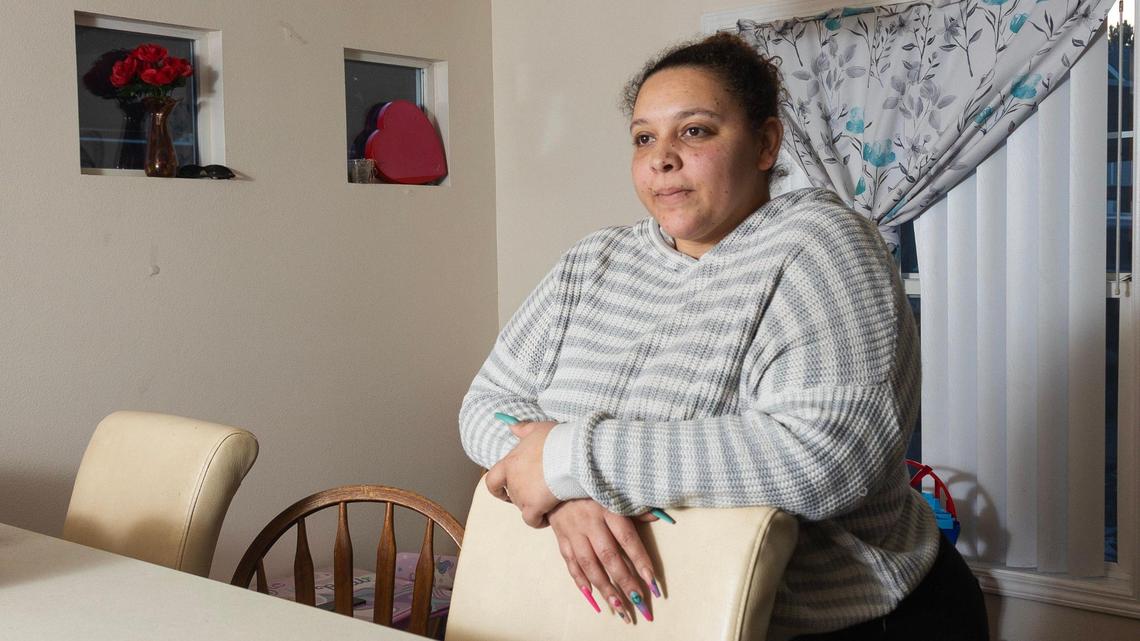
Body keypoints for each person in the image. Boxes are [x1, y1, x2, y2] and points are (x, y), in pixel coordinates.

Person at [458, 33, 988, 640]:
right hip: (657, 619)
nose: (662, 158)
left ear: (765, 144)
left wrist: (567, 459)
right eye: (643, 138)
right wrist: (566, 495)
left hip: (851, 621)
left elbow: (824, 458)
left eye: (695, 131)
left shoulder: (822, 246)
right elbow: (486, 405)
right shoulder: (591, 262)